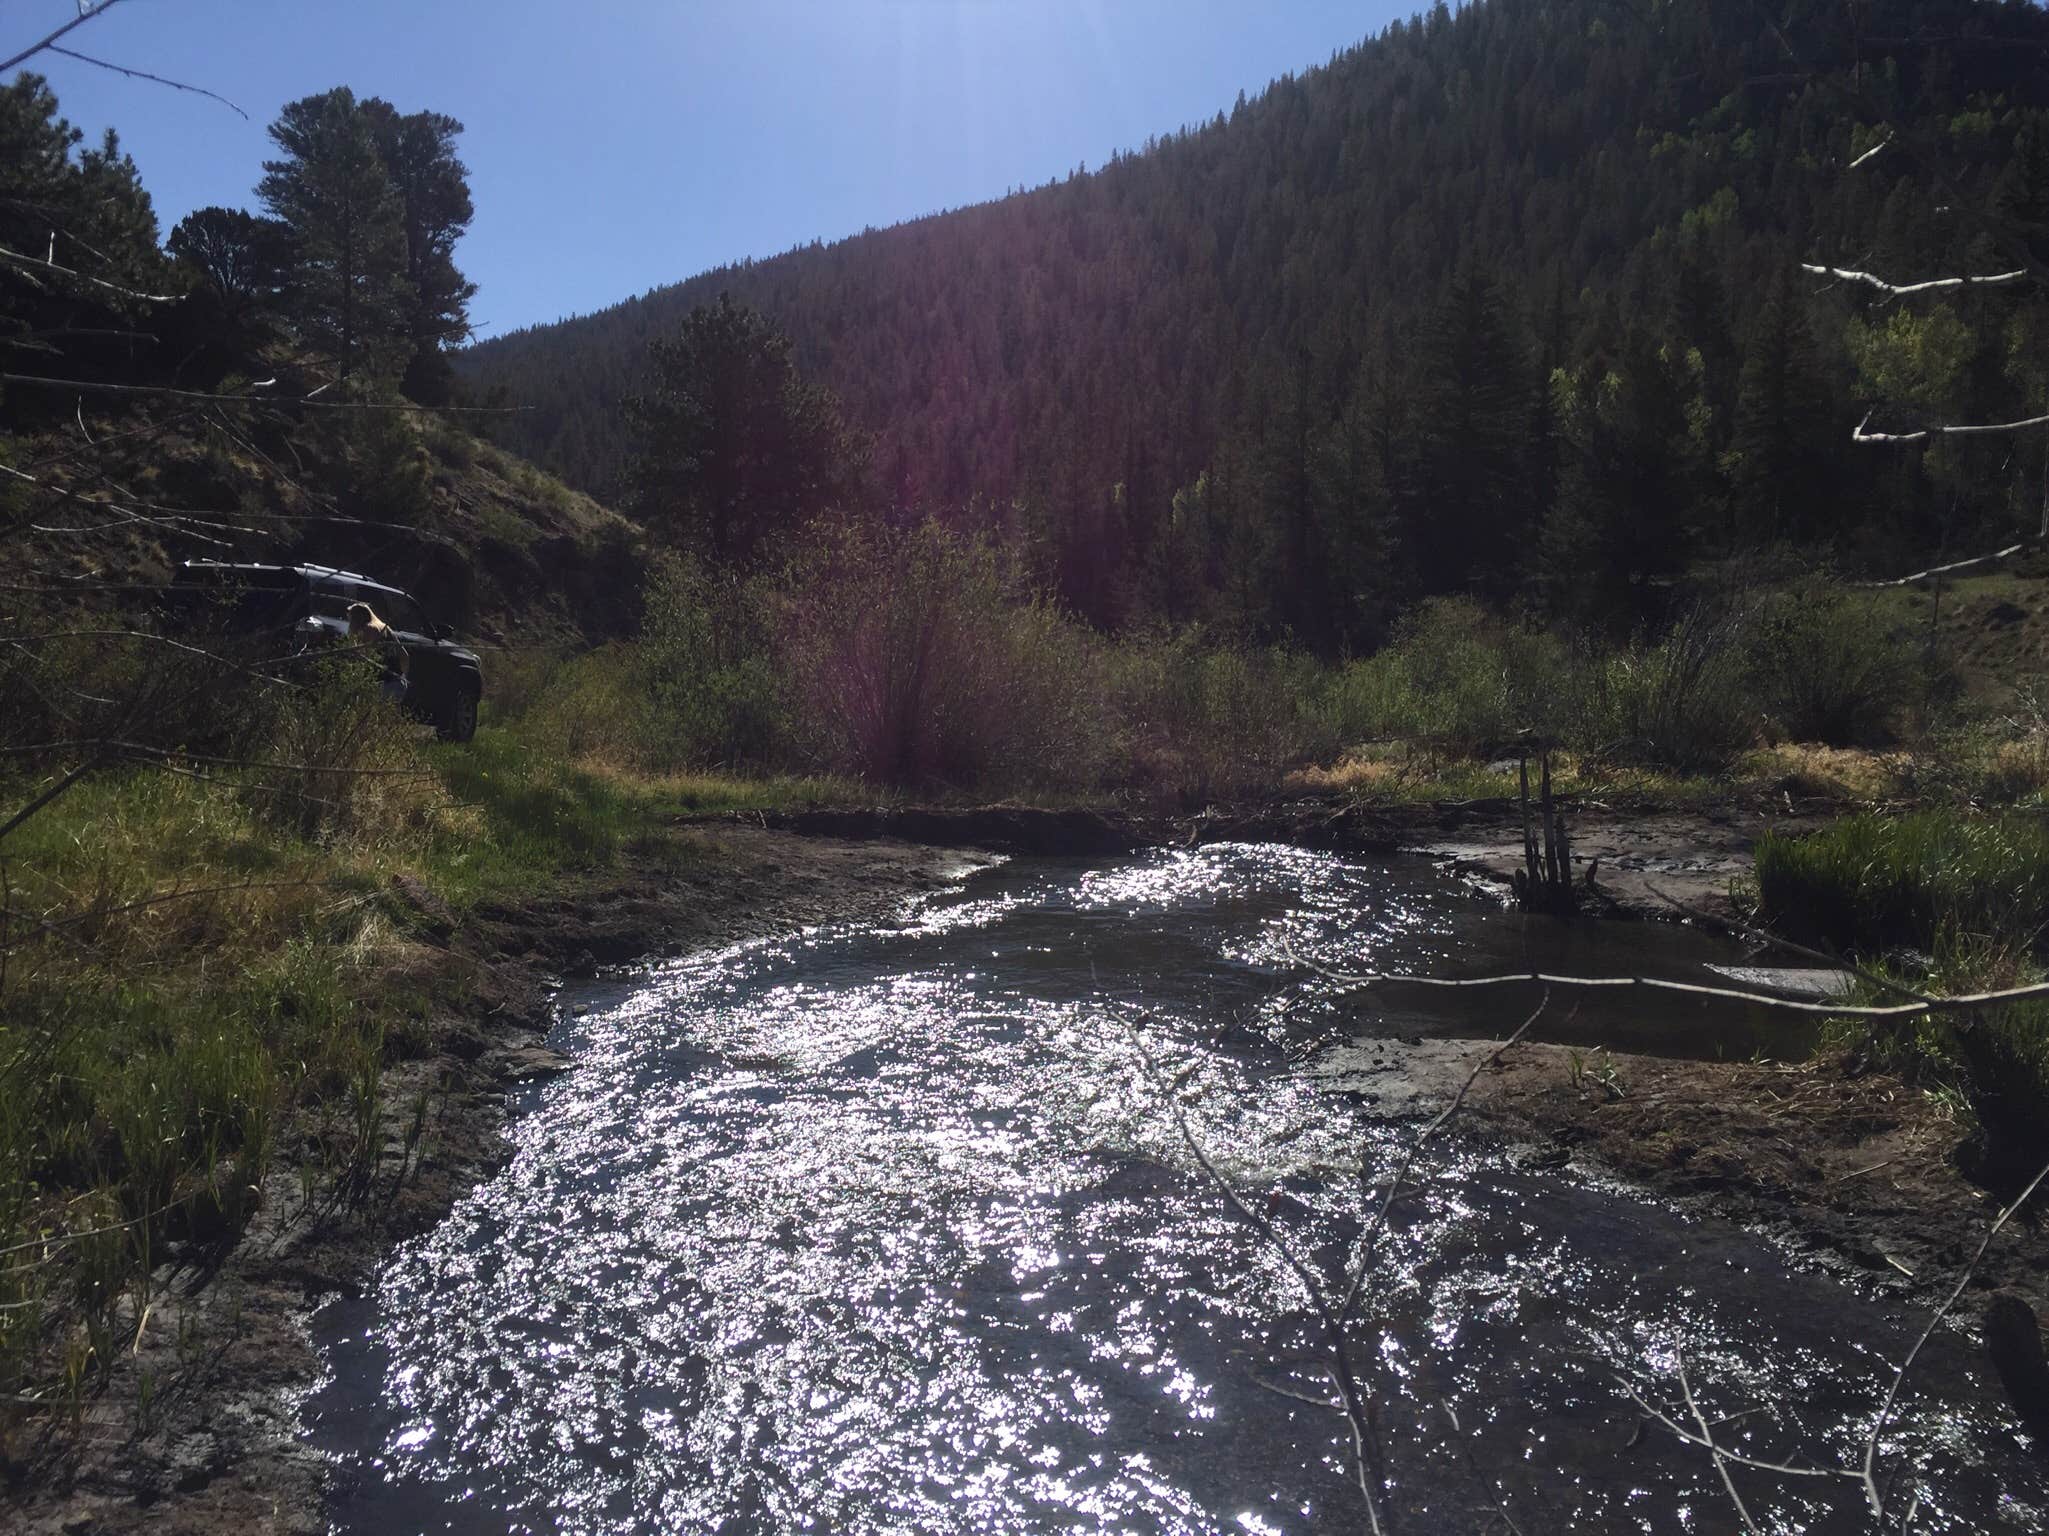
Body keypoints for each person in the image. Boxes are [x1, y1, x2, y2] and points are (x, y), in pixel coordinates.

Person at [345, 601, 411, 704]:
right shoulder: (385, 628)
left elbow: (362, 659)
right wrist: (403, 679)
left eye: (351, 618)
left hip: (381, 685)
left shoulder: (368, 629)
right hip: (397, 683)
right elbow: (405, 656)